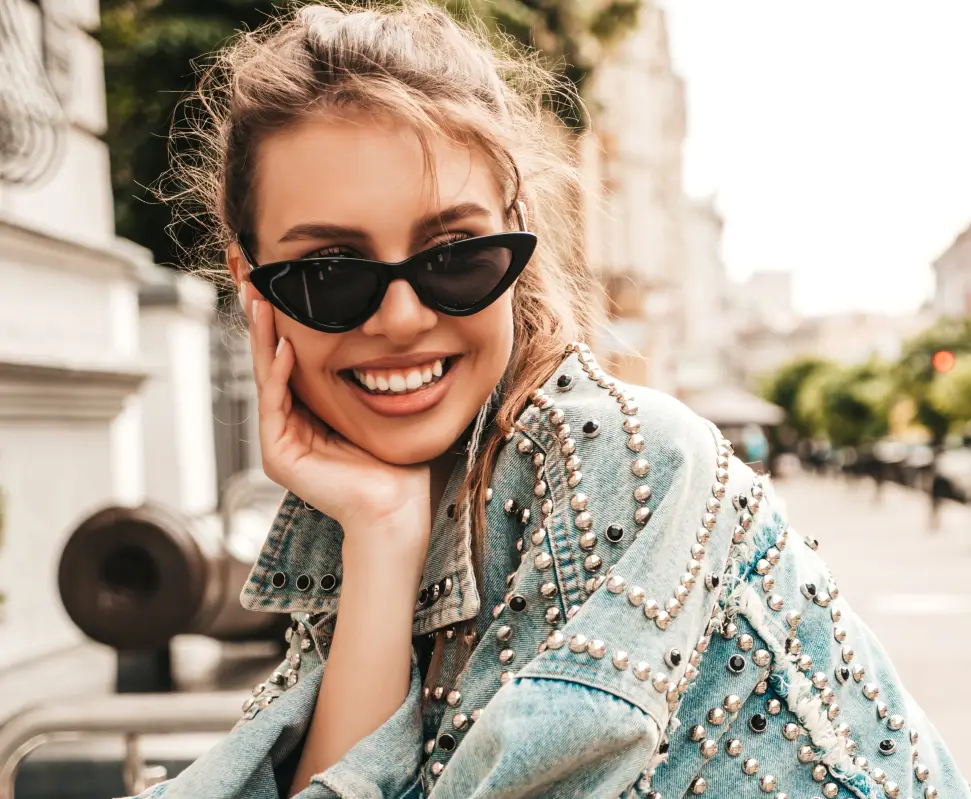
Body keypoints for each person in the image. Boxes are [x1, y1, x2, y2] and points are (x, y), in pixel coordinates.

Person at [126, 2, 969, 797]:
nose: (401, 317)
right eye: (329, 273)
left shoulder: (631, 462)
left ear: (515, 233)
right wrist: (380, 533)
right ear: (251, 285)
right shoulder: (384, 498)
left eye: (453, 253)